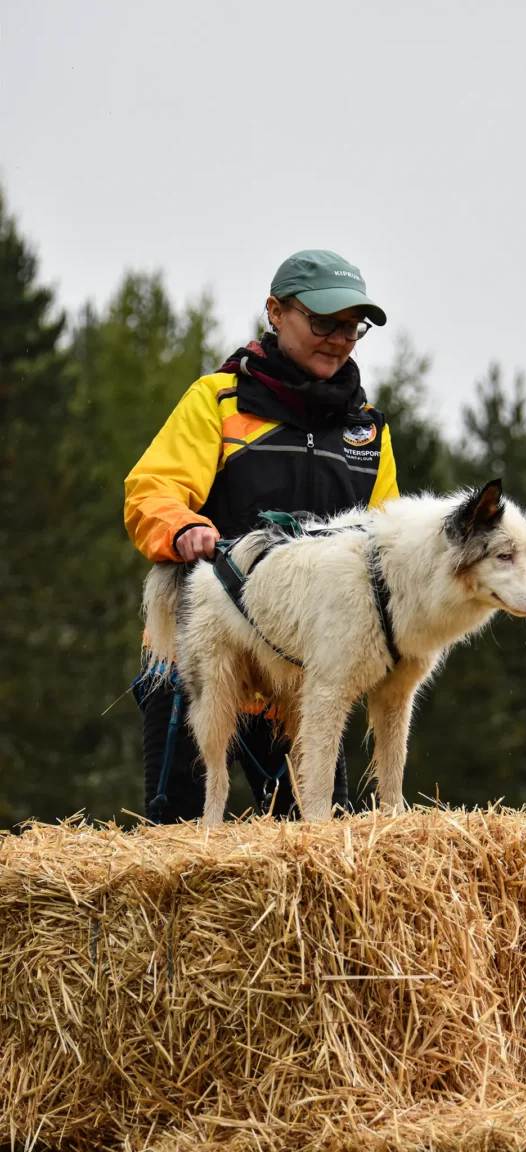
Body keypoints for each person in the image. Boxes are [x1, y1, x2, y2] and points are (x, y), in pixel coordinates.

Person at [124, 249, 399, 821]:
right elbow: (152, 490)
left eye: (352, 327)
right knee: (179, 850)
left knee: (319, 857)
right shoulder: (217, 401)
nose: (339, 338)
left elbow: (385, 547)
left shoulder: (368, 432)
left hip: (305, 676)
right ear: (275, 312)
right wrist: (183, 529)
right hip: (202, 660)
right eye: (323, 322)